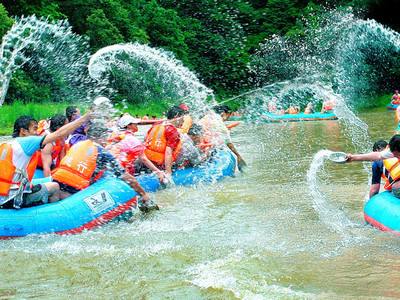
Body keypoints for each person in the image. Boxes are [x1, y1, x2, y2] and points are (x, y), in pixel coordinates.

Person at [51, 122, 154, 211]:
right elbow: (126, 177)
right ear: (101, 136)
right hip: (73, 191)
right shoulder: (102, 152)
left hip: (57, 182)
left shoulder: (78, 144)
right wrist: (143, 194)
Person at [0, 112, 91, 209]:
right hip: (12, 199)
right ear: (23, 131)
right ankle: (52, 213)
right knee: (55, 186)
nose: (37, 132)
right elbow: (59, 134)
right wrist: (83, 119)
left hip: (4, 195)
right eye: (35, 129)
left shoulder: (9, 143)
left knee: (46, 184)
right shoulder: (27, 142)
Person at [113, 115, 166, 182]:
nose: (137, 125)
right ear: (129, 125)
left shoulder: (120, 136)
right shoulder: (132, 139)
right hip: (126, 171)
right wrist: (158, 172)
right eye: (135, 123)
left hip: (118, 169)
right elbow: (143, 159)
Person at [199, 105, 247, 171]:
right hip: (203, 151)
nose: (228, 118)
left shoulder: (207, 116)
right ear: (224, 113)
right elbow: (229, 143)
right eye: (229, 115)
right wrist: (238, 156)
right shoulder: (221, 126)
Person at [144, 106, 184, 177]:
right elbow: (168, 152)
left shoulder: (157, 124)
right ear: (177, 116)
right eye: (182, 118)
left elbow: (145, 139)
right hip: (158, 165)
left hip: (146, 161)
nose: (183, 121)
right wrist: (168, 173)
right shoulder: (172, 131)